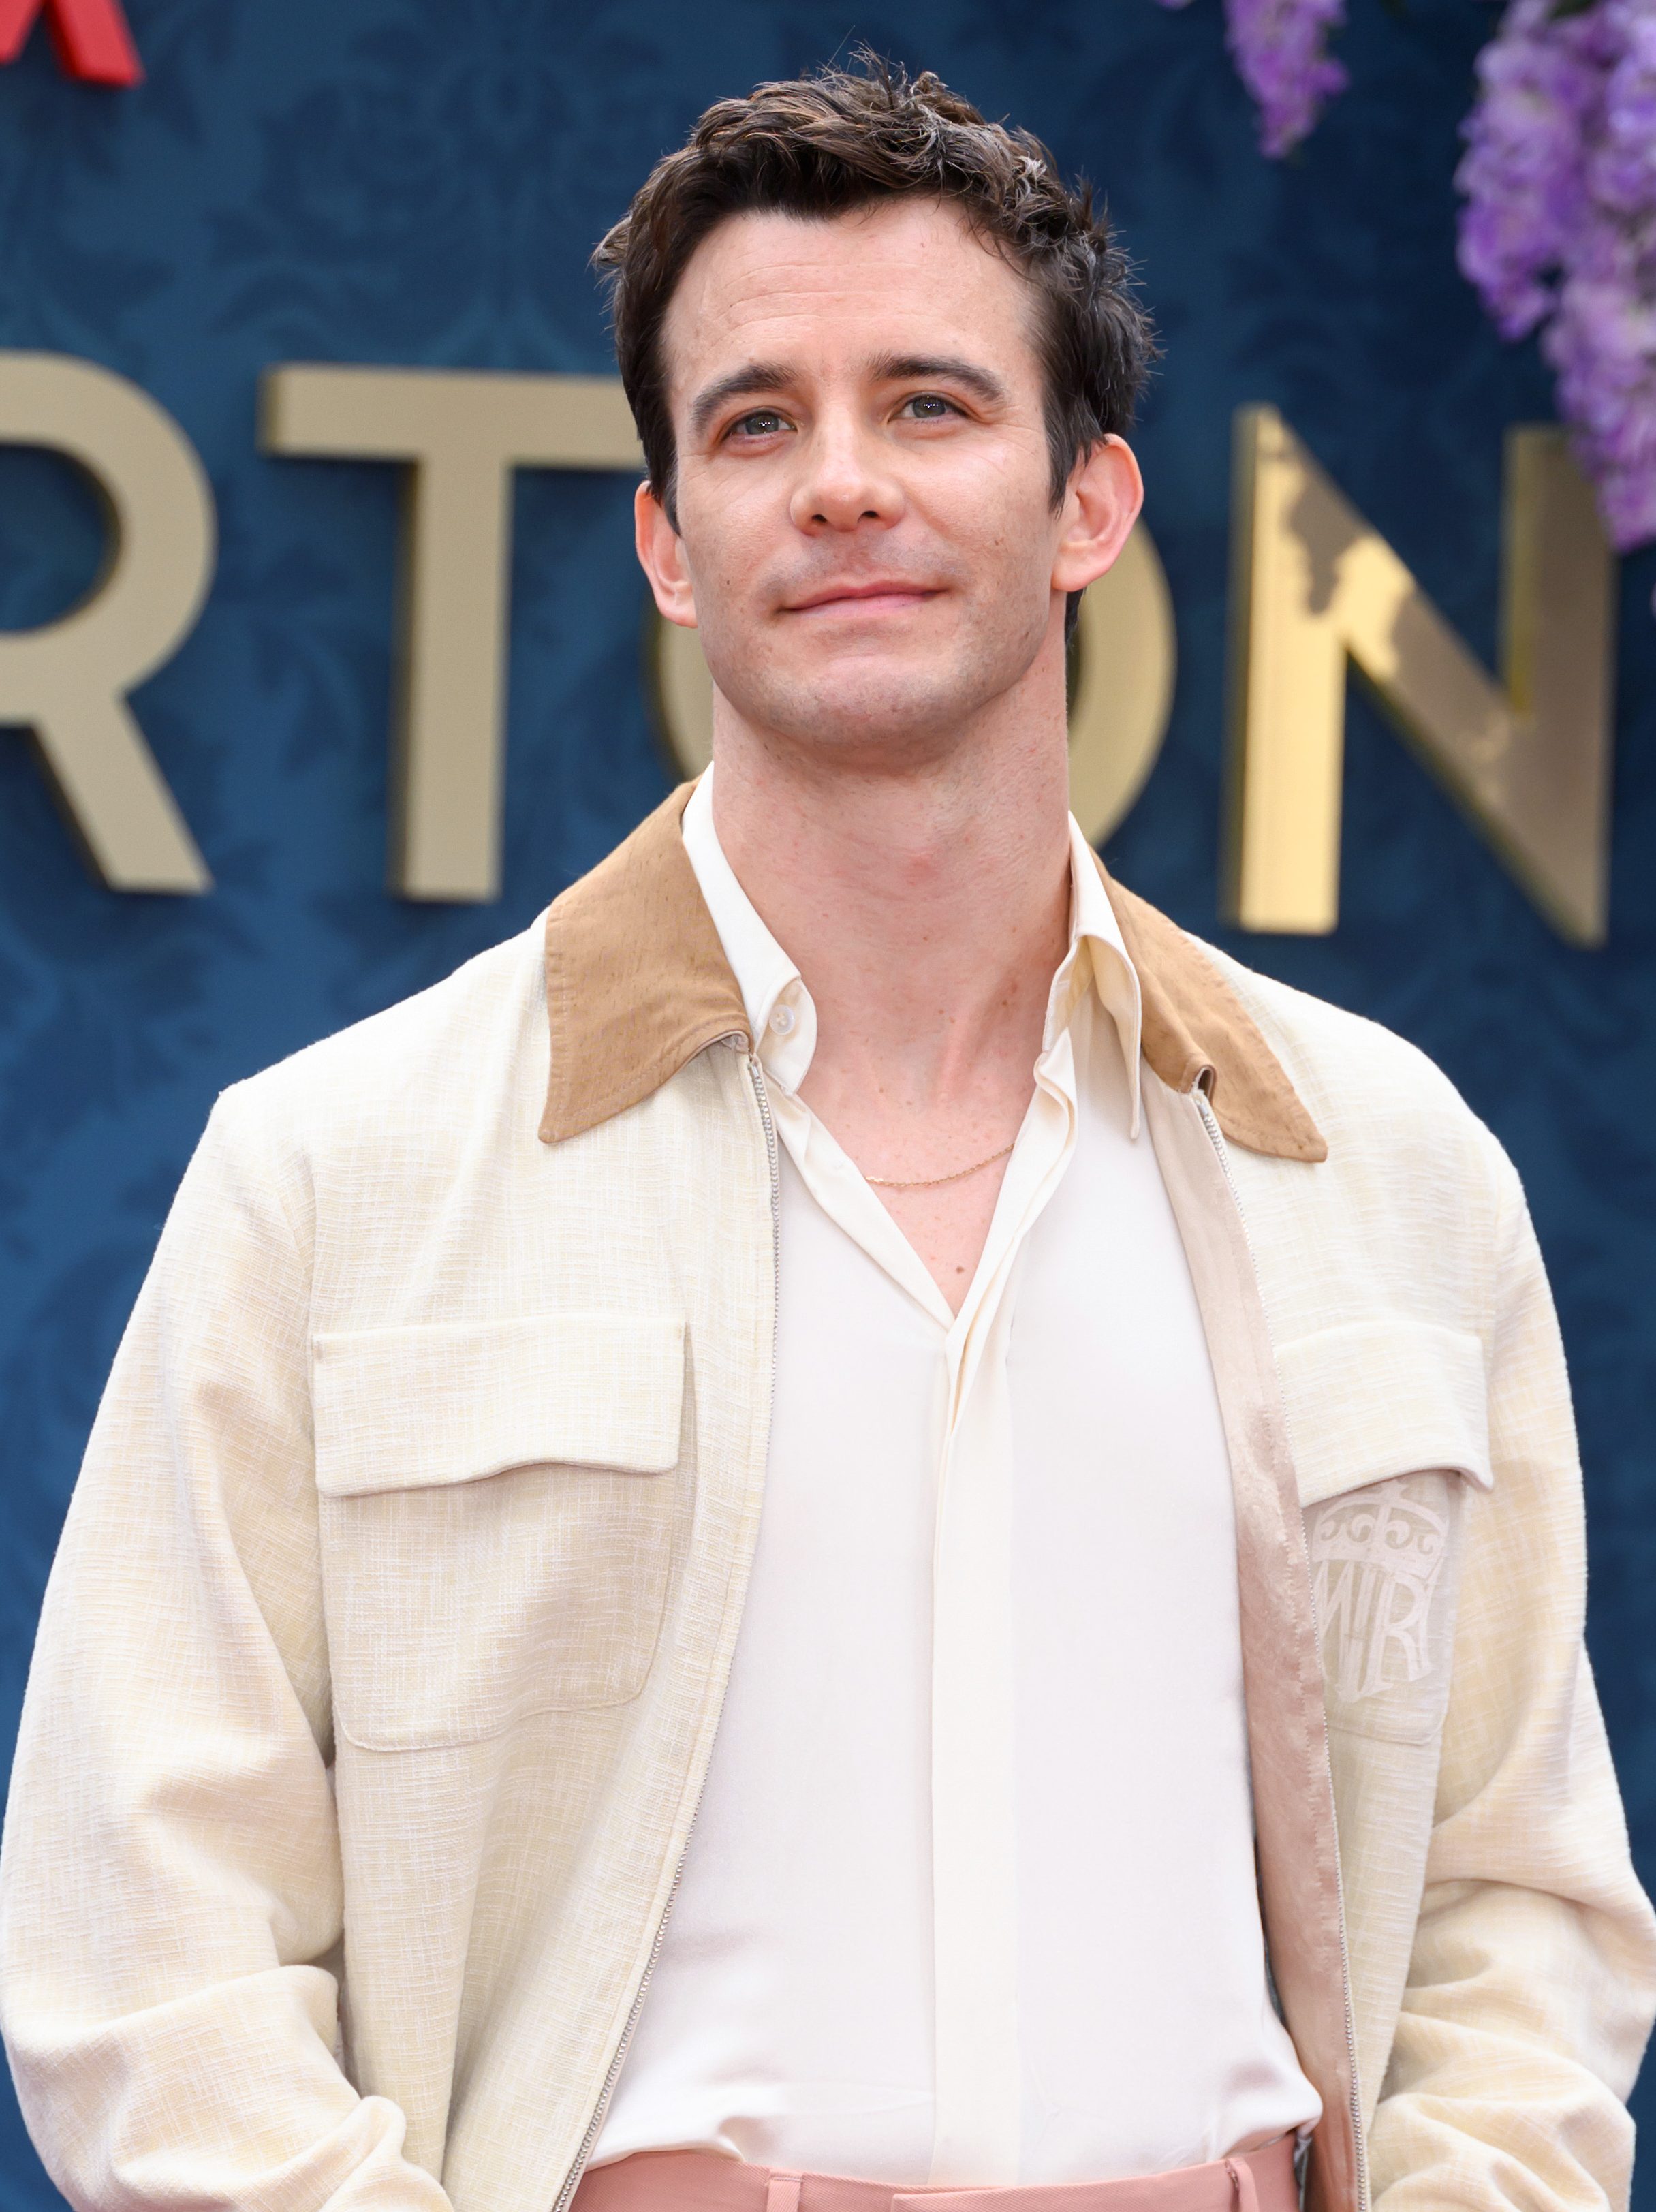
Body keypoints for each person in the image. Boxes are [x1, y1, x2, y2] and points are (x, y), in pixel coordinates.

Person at [1, 53, 1651, 2212]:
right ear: (671, 546)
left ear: (1091, 507)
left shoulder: (1392, 1171)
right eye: (757, 421)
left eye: (933, 405)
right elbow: (149, 1965)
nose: (842, 481)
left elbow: (1517, 1904)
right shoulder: (332, 1175)